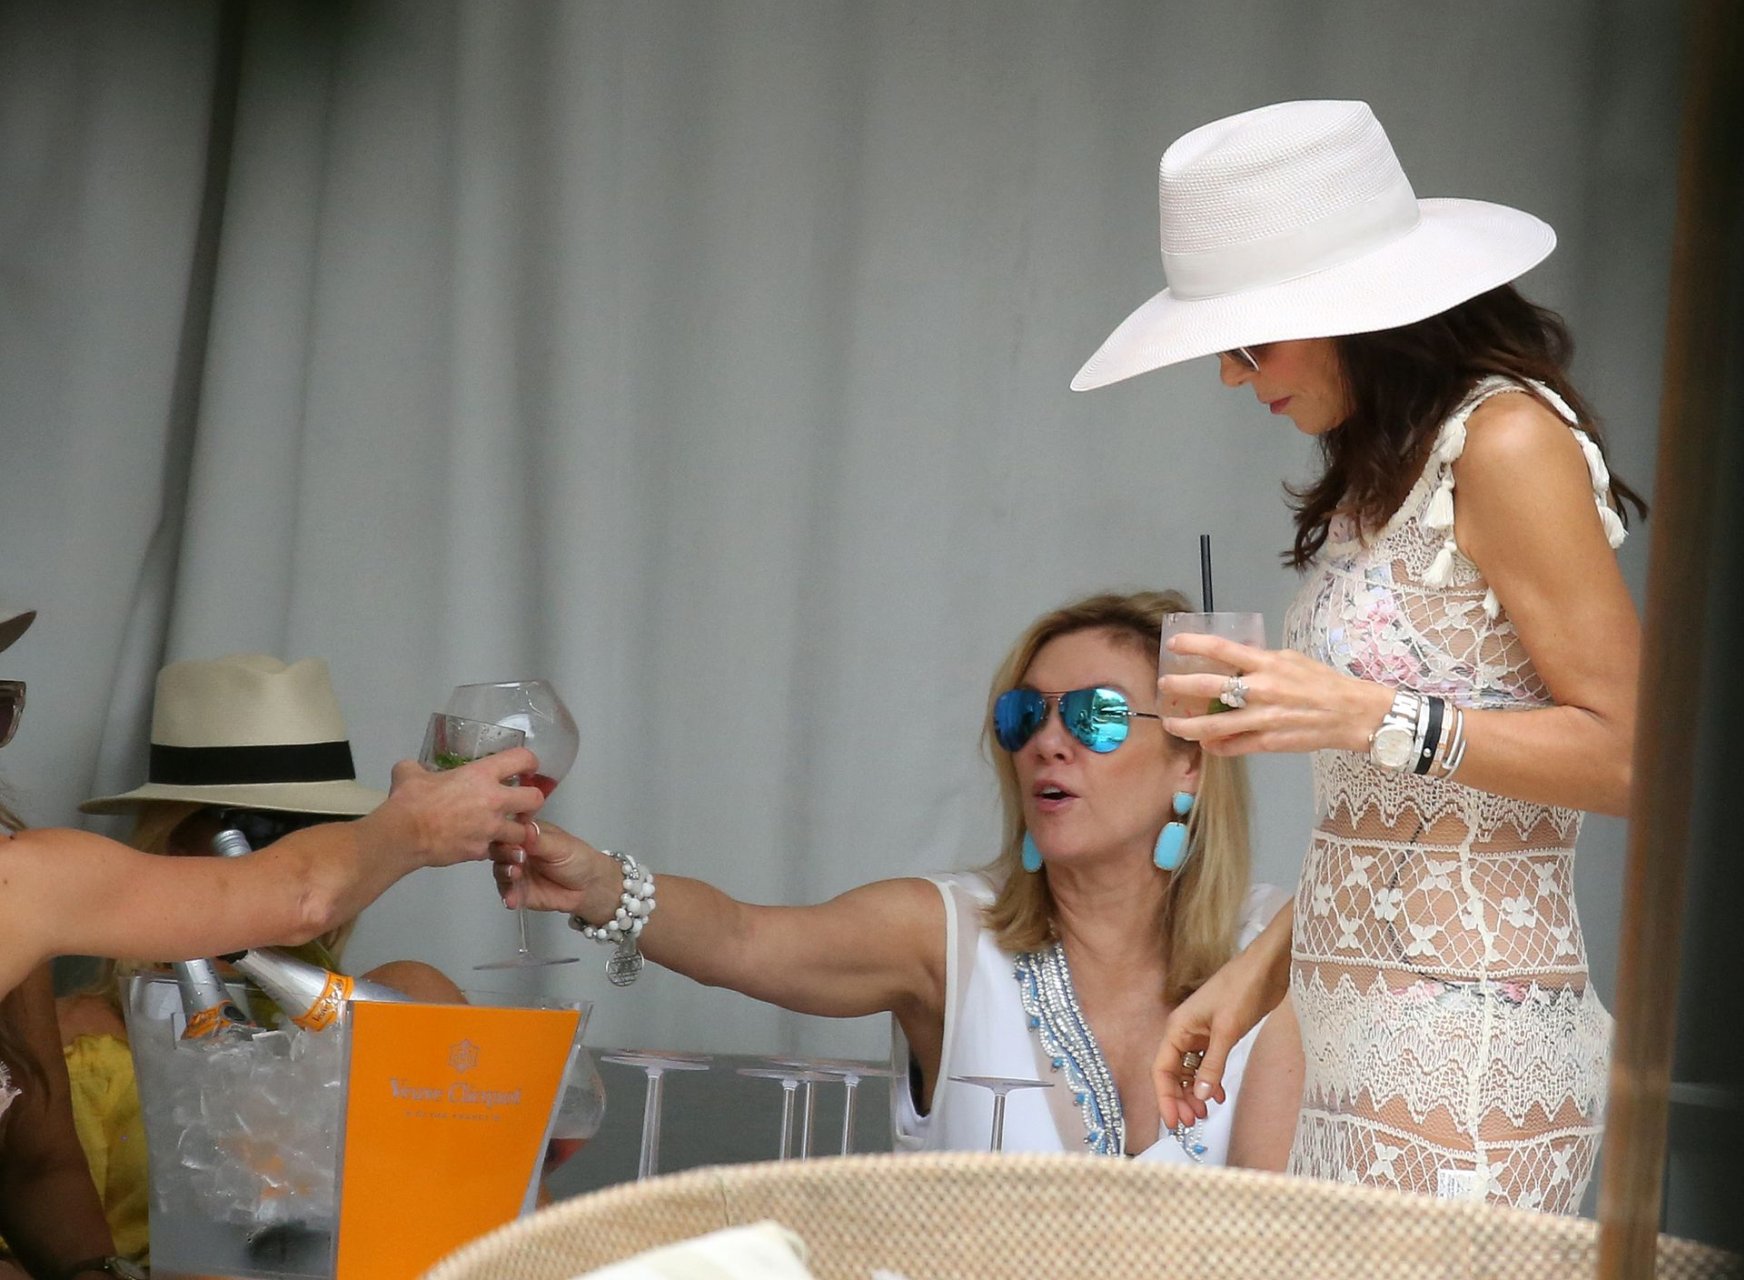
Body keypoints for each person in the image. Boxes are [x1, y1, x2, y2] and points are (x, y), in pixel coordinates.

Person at [1071, 101, 1642, 1211]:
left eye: (1250, 342)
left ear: (1354, 312)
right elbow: (1397, 822)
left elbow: (1636, 760)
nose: (1232, 376)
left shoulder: (1505, 441)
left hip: (1471, 1045)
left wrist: (1366, 715)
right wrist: (1253, 977)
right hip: (1347, 1036)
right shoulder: (1383, 470)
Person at [498, 590, 1302, 1164]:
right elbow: (744, 938)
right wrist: (601, 886)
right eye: (1025, 715)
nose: (1049, 743)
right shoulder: (948, 933)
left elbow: (1279, 1234)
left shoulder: (1281, 950)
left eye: (1097, 716)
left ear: (1191, 761)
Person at [0, 602, 541, 1277]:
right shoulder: (80, 1012)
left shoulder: (22, 880)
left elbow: (36, 1164)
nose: (287, 848)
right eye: (259, 830)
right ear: (171, 843)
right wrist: (414, 828)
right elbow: (301, 896)